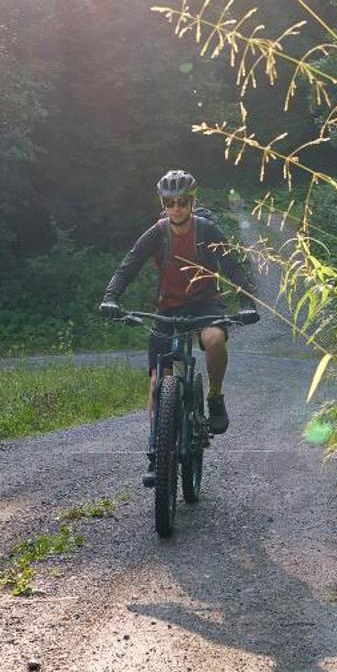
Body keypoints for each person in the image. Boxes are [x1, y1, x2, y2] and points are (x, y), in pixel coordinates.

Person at [99, 169, 254, 480]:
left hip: (206, 302)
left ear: (193, 203)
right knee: (158, 381)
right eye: (170, 203)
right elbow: (127, 266)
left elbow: (233, 267)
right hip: (168, 307)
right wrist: (111, 298)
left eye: (182, 202)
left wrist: (248, 303)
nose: (177, 208)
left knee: (213, 340)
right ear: (164, 204)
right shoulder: (157, 232)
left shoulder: (208, 230)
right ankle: (157, 451)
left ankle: (215, 398)